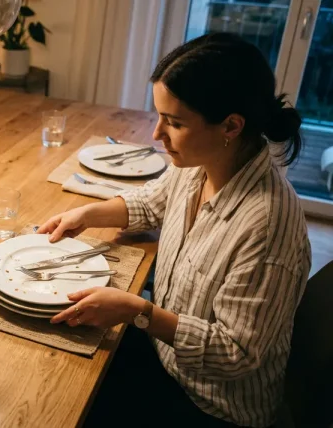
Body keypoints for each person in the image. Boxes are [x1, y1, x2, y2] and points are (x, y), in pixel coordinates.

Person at [38, 33, 310, 427]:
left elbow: (235, 354)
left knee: (57, 400)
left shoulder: (266, 225)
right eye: (159, 116)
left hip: (209, 405)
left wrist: (136, 311)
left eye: (174, 122)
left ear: (230, 126)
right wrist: (86, 214)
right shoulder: (202, 163)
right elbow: (152, 202)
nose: (156, 134)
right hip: (164, 356)